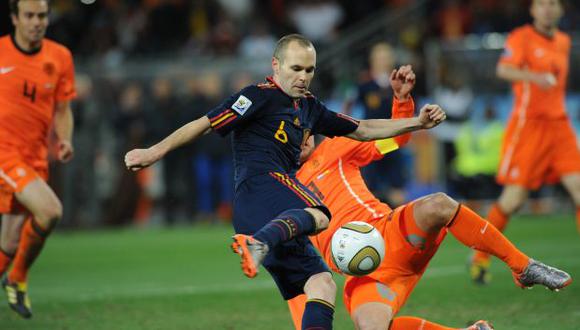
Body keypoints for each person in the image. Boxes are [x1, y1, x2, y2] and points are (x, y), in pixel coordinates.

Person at [125, 34, 446, 329]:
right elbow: (205, 123)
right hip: (261, 188)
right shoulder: (257, 96)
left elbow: (362, 128)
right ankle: (258, 243)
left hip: (273, 214)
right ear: (276, 66)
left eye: (310, 69)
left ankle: (262, 242)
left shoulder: (309, 107)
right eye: (296, 68)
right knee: (321, 214)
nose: (303, 76)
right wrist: (154, 151)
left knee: (321, 283)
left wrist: (416, 122)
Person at [287, 70, 571, 329]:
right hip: (363, 274)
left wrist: (402, 100)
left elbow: (395, 139)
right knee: (372, 328)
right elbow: (297, 277)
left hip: (392, 233)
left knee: (438, 204)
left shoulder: (335, 149)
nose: (304, 134)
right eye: (294, 130)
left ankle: (523, 267)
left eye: (306, 126)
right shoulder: (279, 191)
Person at [470, 0, 580, 285]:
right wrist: (533, 76)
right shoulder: (521, 38)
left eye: (553, 4)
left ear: (559, 10)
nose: (547, 9)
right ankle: (480, 257)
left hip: (560, 126)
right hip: (529, 127)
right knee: (513, 200)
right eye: (541, 4)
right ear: (532, 10)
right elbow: (504, 70)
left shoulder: (564, 41)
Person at [0, 0, 77, 319]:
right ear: (15, 18)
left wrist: (65, 139)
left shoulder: (60, 57)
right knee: (50, 211)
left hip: (34, 158)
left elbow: (62, 108)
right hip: (5, 154)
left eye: (42, 15)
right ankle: (17, 279)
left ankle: (12, 273)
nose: (36, 22)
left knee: (9, 243)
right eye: (29, 15)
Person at [343, 42, 409, 206]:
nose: (382, 61)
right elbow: (348, 108)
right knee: (368, 185)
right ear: (372, 60)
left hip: (393, 140)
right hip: (371, 142)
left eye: (385, 57)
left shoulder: (399, 84)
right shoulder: (364, 84)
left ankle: (398, 225)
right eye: (379, 57)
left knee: (397, 187)